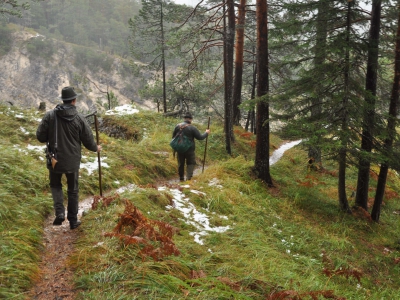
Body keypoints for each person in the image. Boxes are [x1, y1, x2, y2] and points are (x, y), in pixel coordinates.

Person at [36, 86, 101, 229]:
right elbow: (88, 140)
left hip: (55, 159)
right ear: (74, 100)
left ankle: (60, 213)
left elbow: (40, 136)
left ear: (63, 100)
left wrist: (51, 135)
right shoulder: (79, 118)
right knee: (73, 189)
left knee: (55, 185)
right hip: (72, 160)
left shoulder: (50, 116)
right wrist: (96, 148)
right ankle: (73, 220)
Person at [172, 112, 210, 181]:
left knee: (181, 164)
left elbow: (173, 137)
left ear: (184, 118)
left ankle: (181, 178)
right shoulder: (192, 128)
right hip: (189, 150)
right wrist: (206, 133)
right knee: (190, 163)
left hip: (180, 149)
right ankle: (188, 178)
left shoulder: (177, 126)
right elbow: (200, 137)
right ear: (191, 119)